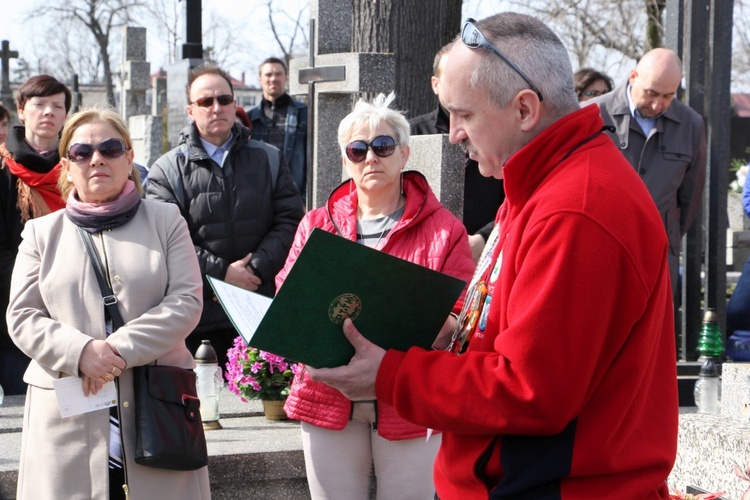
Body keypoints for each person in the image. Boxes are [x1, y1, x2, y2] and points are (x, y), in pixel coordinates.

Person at [306, 13, 679, 498]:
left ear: (525, 109)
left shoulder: (578, 208)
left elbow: (531, 390)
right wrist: (443, 328)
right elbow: (506, 324)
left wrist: (391, 376)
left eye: (464, 114)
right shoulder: (538, 183)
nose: (454, 133)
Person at [276, 92, 475, 500]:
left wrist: (414, 306)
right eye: (358, 149)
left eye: (383, 146)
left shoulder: (445, 230)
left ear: (404, 154)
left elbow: (462, 319)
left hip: (408, 403)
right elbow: (287, 295)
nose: (371, 158)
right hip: (326, 398)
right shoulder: (317, 224)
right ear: (345, 160)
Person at [6, 105, 209, 499]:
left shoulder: (167, 220)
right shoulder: (40, 234)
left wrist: (114, 350)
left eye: (111, 148)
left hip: (158, 412)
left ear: (129, 157)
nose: (96, 158)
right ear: (67, 166)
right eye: (82, 152)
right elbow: (22, 316)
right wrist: (80, 351)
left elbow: (185, 302)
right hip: (65, 418)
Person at [146, 64, 304, 368]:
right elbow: (165, 239)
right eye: (206, 102)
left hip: (261, 307)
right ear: (190, 110)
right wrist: (223, 277)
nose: (216, 107)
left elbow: (290, 221)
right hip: (199, 319)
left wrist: (253, 271)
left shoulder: (269, 158)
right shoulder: (166, 171)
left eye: (224, 99)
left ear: (235, 105)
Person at [587, 48, 706, 299]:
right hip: (598, 247)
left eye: (668, 96)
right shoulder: (591, 114)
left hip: (658, 252)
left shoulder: (691, 125)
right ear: (633, 77)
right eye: (651, 93)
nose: (657, 104)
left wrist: (668, 233)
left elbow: (690, 198)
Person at [0, 75, 71, 396]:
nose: (48, 112)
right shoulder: (3, 168)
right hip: (14, 309)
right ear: (21, 111)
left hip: (73, 310)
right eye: (39, 104)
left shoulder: (78, 167)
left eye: (58, 106)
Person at [409, 42, 505, 262]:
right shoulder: (411, 134)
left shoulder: (497, 133)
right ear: (436, 84)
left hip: (483, 254)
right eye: (451, 79)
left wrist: (483, 238)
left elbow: (512, 198)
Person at [248, 57, 308, 204]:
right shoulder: (249, 119)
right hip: (258, 199)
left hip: (294, 197)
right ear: (260, 79)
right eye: (268, 75)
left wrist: (306, 200)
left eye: (278, 74)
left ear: (286, 77)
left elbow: (312, 160)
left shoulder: (305, 114)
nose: (273, 78)